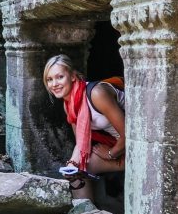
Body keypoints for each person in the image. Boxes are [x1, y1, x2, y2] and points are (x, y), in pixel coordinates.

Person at [43, 54, 125, 200]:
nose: (54, 84)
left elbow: (128, 134)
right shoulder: (70, 104)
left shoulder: (96, 94)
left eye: (59, 77)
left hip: (136, 144)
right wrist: (73, 163)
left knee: (82, 167)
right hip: (118, 144)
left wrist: (111, 153)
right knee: (77, 171)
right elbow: (81, 144)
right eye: (49, 79)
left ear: (73, 76)